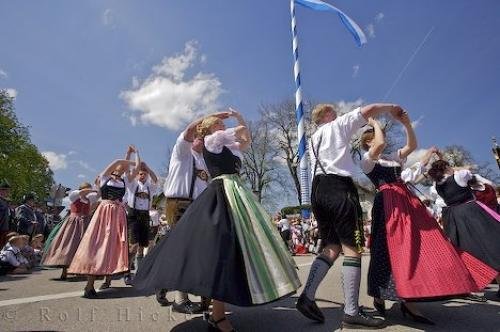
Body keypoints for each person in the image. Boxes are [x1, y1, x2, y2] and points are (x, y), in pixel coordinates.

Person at [134, 109, 301, 332]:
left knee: (215, 249)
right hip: (192, 199)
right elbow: (214, 132)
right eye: (215, 127)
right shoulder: (195, 147)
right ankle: (176, 289)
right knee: (185, 246)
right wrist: (220, 118)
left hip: (218, 199)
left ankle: (209, 303)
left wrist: (238, 119)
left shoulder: (216, 153)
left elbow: (242, 141)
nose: (220, 128)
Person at [360, 116, 497, 324]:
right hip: (388, 203)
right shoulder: (368, 160)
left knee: (428, 243)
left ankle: (412, 297)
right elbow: (379, 143)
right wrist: (375, 123)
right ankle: (382, 295)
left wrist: (405, 123)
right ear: (368, 141)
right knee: (387, 249)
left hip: (406, 200)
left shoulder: (391, 157)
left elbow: (412, 146)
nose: (383, 137)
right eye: (378, 135)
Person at [297, 103, 413, 329]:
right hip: (339, 186)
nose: (339, 115)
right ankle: (351, 311)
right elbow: (368, 109)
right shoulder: (338, 125)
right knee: (353, 248)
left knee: (331, 246)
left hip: (318, 189)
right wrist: (390, 108)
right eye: (335, 112)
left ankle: (307, 296)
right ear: (328, 115)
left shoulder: (313, 139)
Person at [153, 113, 219, 313]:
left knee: (192, 249)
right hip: (179, 203)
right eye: (199, 136)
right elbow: (189, 131)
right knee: (185, 248)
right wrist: (210, 118)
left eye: (204, 137)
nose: (200, 138)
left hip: (197, 206)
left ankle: (163, 283)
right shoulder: (182, 151)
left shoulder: (204, 161)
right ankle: (180, 299)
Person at [428, 160, 500, 297]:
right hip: (470, 212)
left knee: (464, 249)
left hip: (453, 217)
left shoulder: (437, 185)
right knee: (490, 244)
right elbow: (472, 167)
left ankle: (466, 285)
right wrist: (454, 168)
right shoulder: (459, 176)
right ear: (447, 167)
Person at [68, 158, 136, 298]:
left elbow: (134, 170)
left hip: (117, 216)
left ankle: (105, 281)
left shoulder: (124, 181)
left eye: (122, 169)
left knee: (112, 248)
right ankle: (89, 285)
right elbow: (110, 168)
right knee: (97, 246)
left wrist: (130, 157)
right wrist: (120, 160)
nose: (120, 170)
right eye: (118, 168)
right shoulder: (105, 178)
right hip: (105, 213)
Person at [41, 182, 99, 280]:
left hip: (85, 222)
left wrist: (98, 184)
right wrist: (93, 189)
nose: (89, 191)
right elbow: (83, 192)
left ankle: (78, 270)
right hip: (74, 222)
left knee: (82, 246)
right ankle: (65, 271)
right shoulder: (74, 195)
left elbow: (96, 199)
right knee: (69, 245)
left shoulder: (88, 199)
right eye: (87, 189)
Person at [123, 145, 158, 285]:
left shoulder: (150, 187)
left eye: (144, 173)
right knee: (133, 245)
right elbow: (127, 170)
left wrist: (148, 168)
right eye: (140, 173)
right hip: (134, 214)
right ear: (137, 174)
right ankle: (126, 272)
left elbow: (156, 180)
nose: (142, 175)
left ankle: (140, 272)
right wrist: (131, 154)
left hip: (145, 215)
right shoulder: (132, 184)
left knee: (142, 246)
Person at [0, 179, 12, 248]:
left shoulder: (5, 201)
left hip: (5, 228)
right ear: (1, 190)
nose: (8, 193)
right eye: (7, 191)